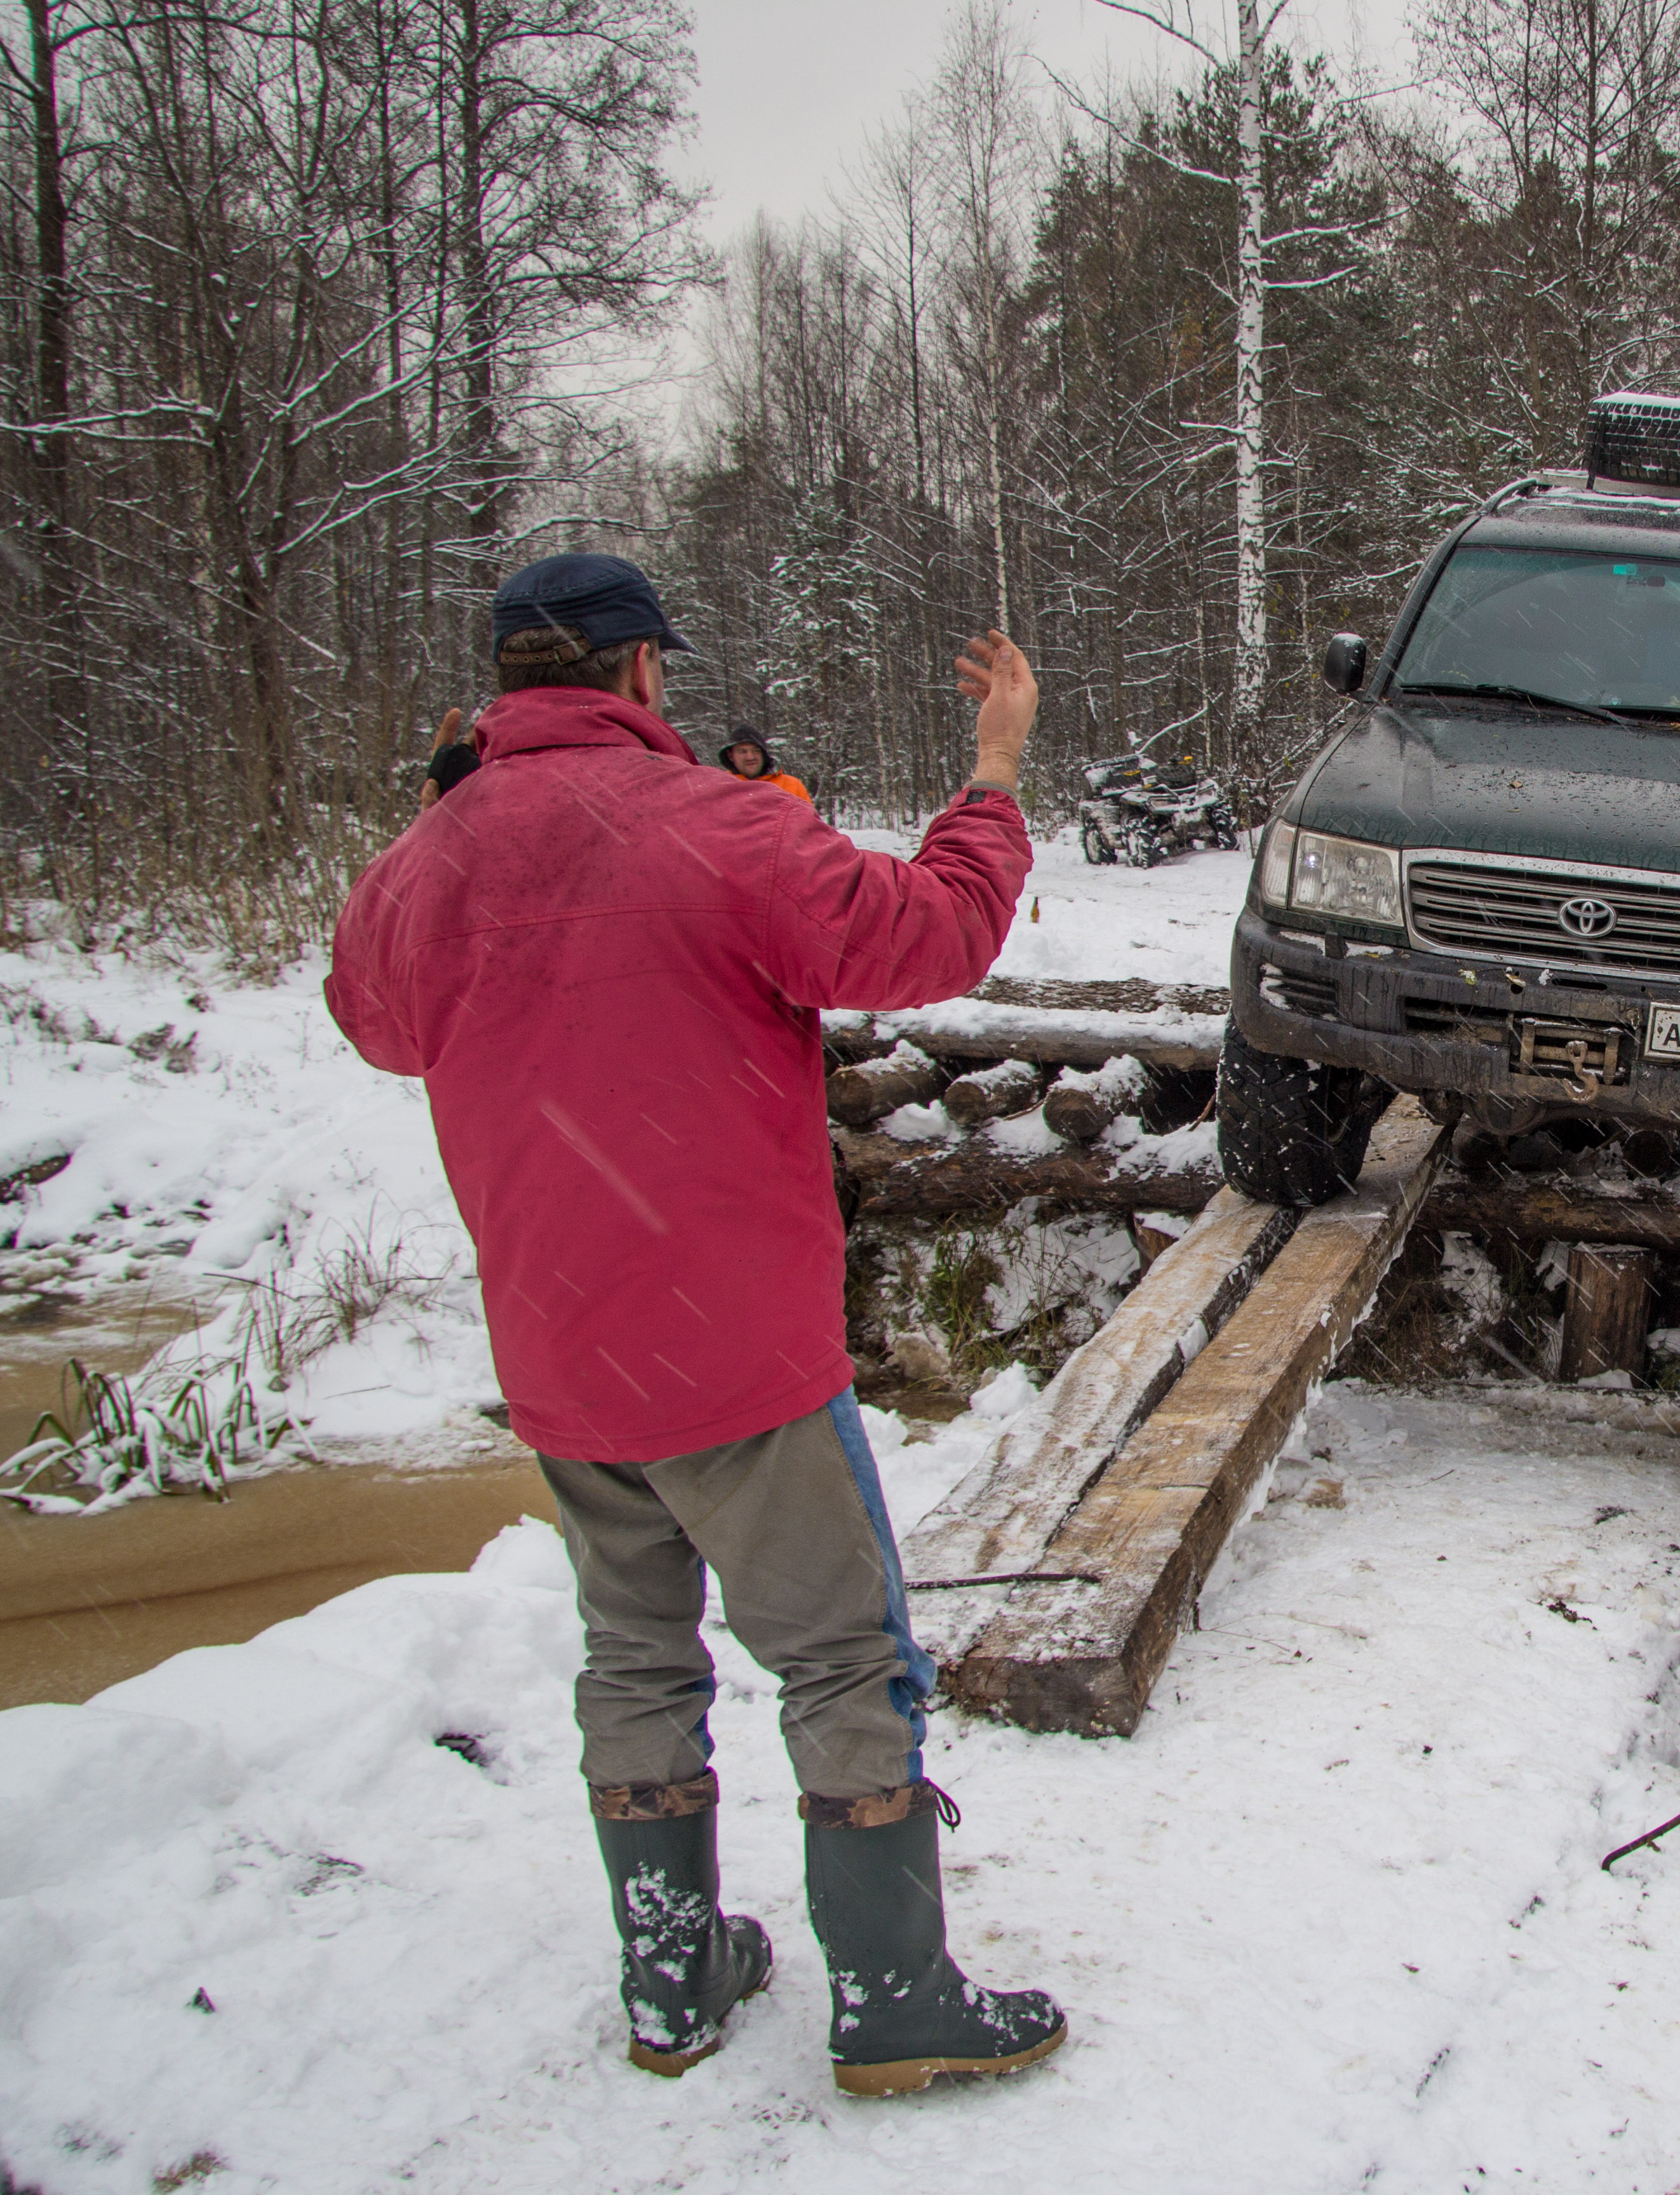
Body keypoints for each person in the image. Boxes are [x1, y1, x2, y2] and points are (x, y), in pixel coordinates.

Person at [324, 552, 1063, 2097]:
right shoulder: (721, 826)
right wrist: (993, 774)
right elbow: (930, 935)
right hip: (733, 1355)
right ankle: (892, 1994)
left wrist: (437, 818)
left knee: (637, 1655)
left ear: (507, 684)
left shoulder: (430, 858)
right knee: (842, 1658)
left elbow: (374, 1013)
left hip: (562, 1349)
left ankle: (673, 1977)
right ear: (643, 673)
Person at [720, 727, 813, 805]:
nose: (750, 757)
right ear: (730, 756)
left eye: (756, 751)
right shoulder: (723, 790)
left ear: (763, 754)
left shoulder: (792, 786)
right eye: (743, 752)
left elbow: (810, 821)